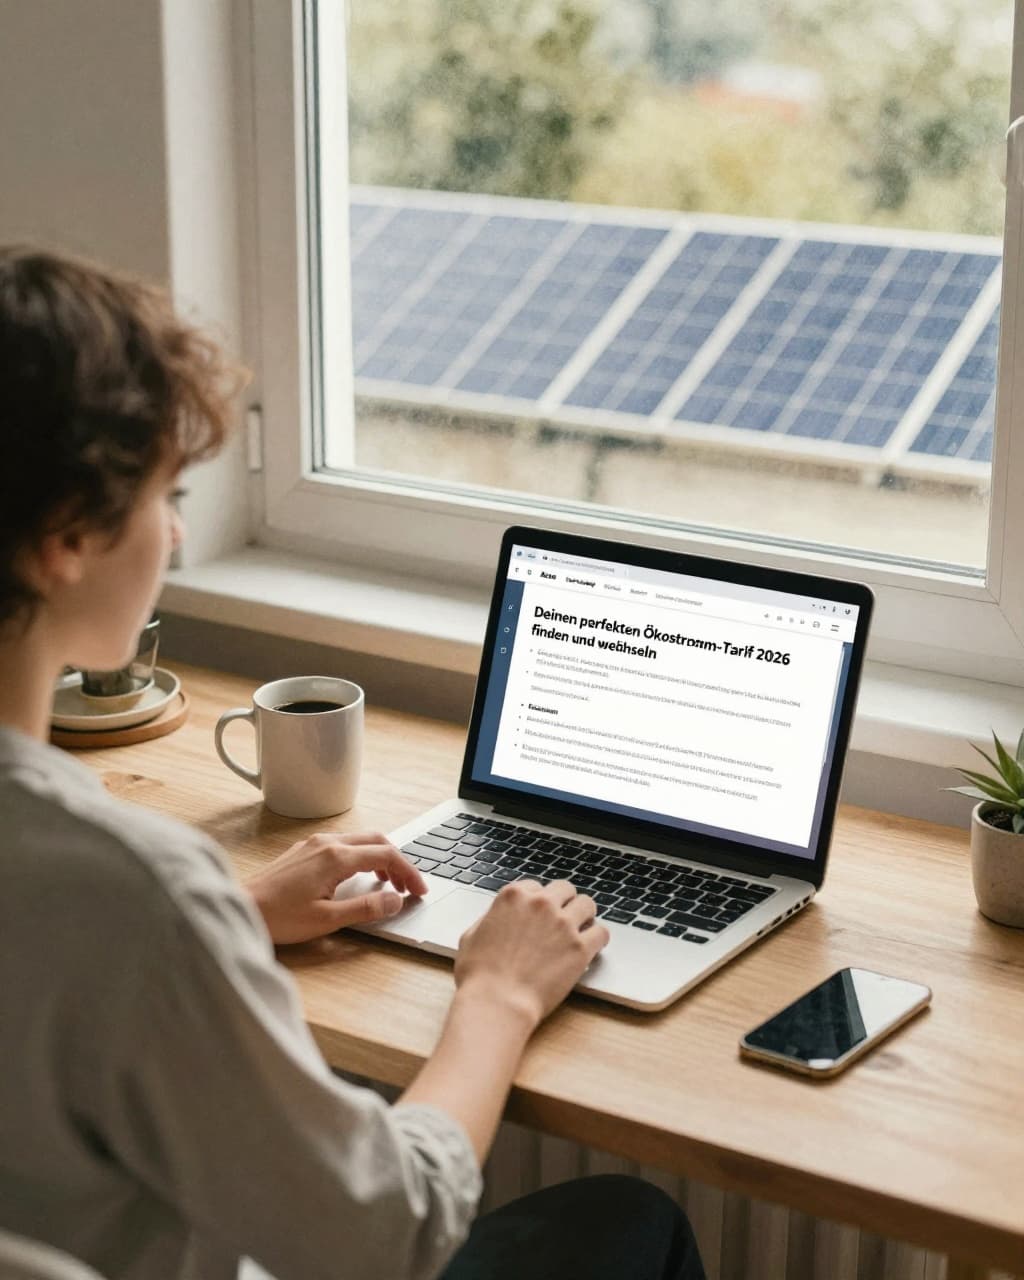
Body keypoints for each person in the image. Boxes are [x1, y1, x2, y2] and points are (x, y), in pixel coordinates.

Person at [0, 245, 706, 1280]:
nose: (178, 534)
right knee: (628, 1223)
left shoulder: (116, 895)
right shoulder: (131, 889)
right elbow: (391, 1235)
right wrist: (498, 994)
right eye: (167, 495)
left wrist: (226, 918)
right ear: (65, 537)